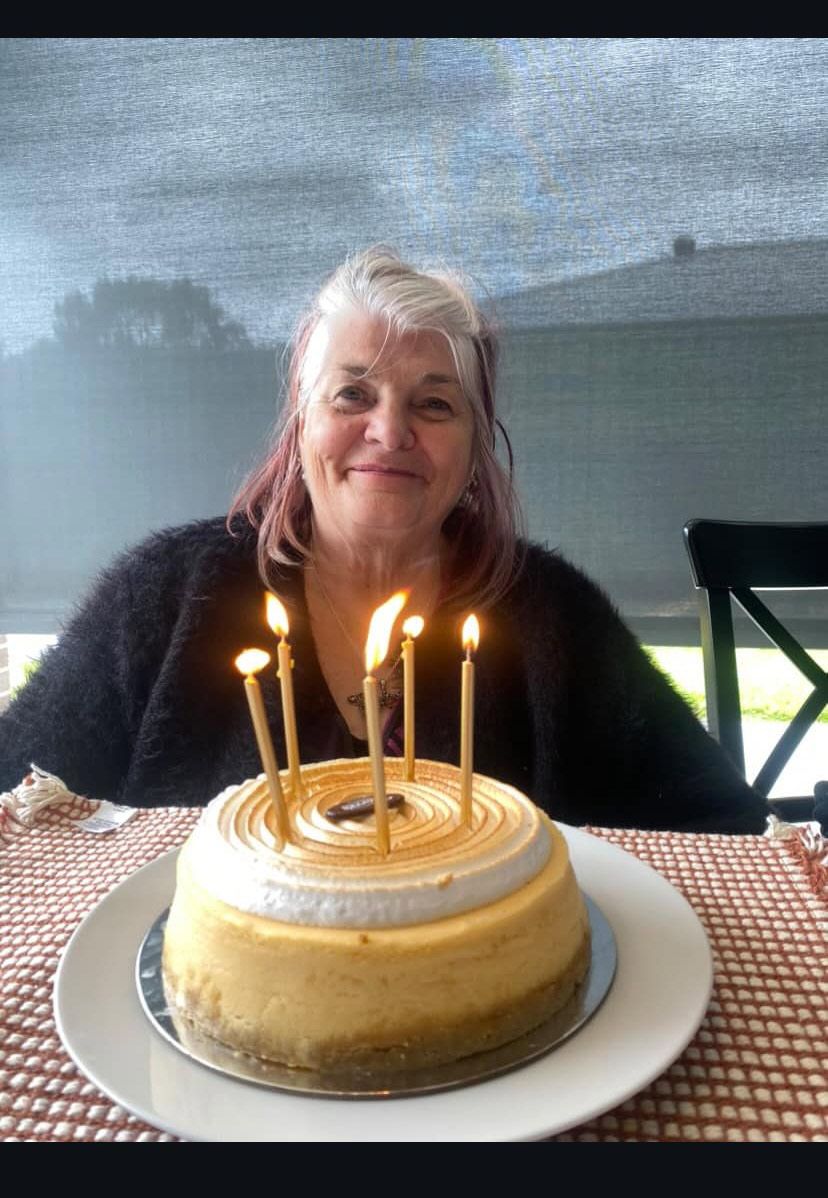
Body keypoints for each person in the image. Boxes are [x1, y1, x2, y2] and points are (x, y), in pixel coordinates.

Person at [0, 248, 767, 832]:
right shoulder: (163, 597)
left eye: (434, 405)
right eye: (353, 394)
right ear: (301, 425)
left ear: (474, 447)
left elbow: (719, 831)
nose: (390, 432)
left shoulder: (552, 617)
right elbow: (21, 809)